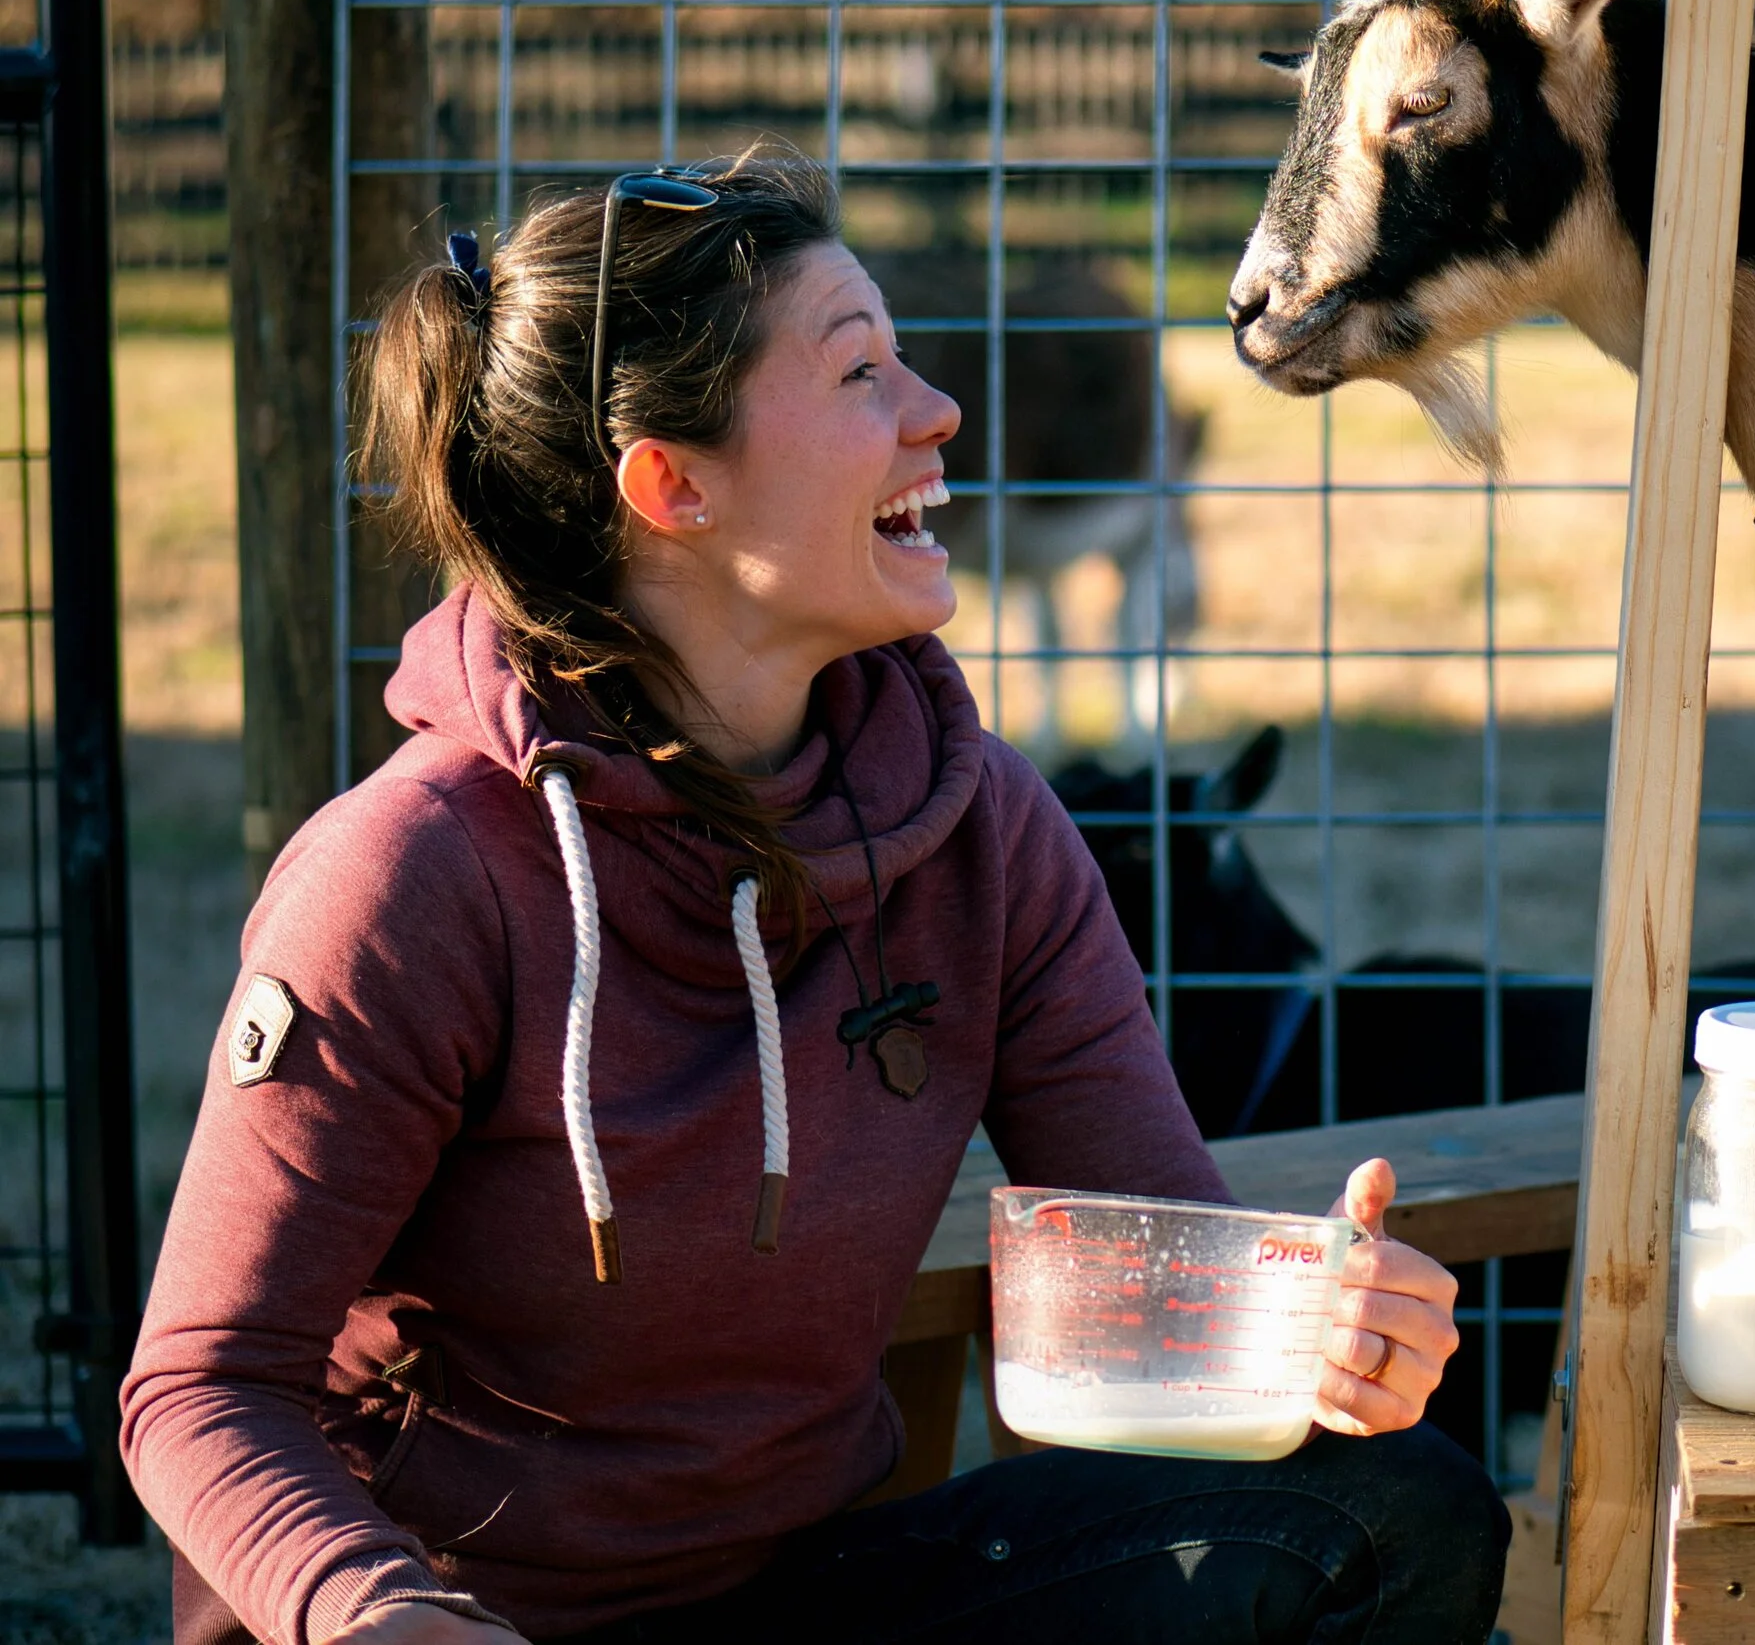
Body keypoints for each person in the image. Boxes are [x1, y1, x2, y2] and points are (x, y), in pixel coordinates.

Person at [121, 152, 1510, 1645]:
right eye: (859, 373)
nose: (938, 410)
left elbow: (1158, 1276)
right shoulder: (410, 876)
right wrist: (376, 1613)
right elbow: (198, 1388)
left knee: (1397, 1509)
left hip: (807, 1600)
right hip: (450, 1616)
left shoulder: (981, 827)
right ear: (675, 486)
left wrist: (1312, 1330)